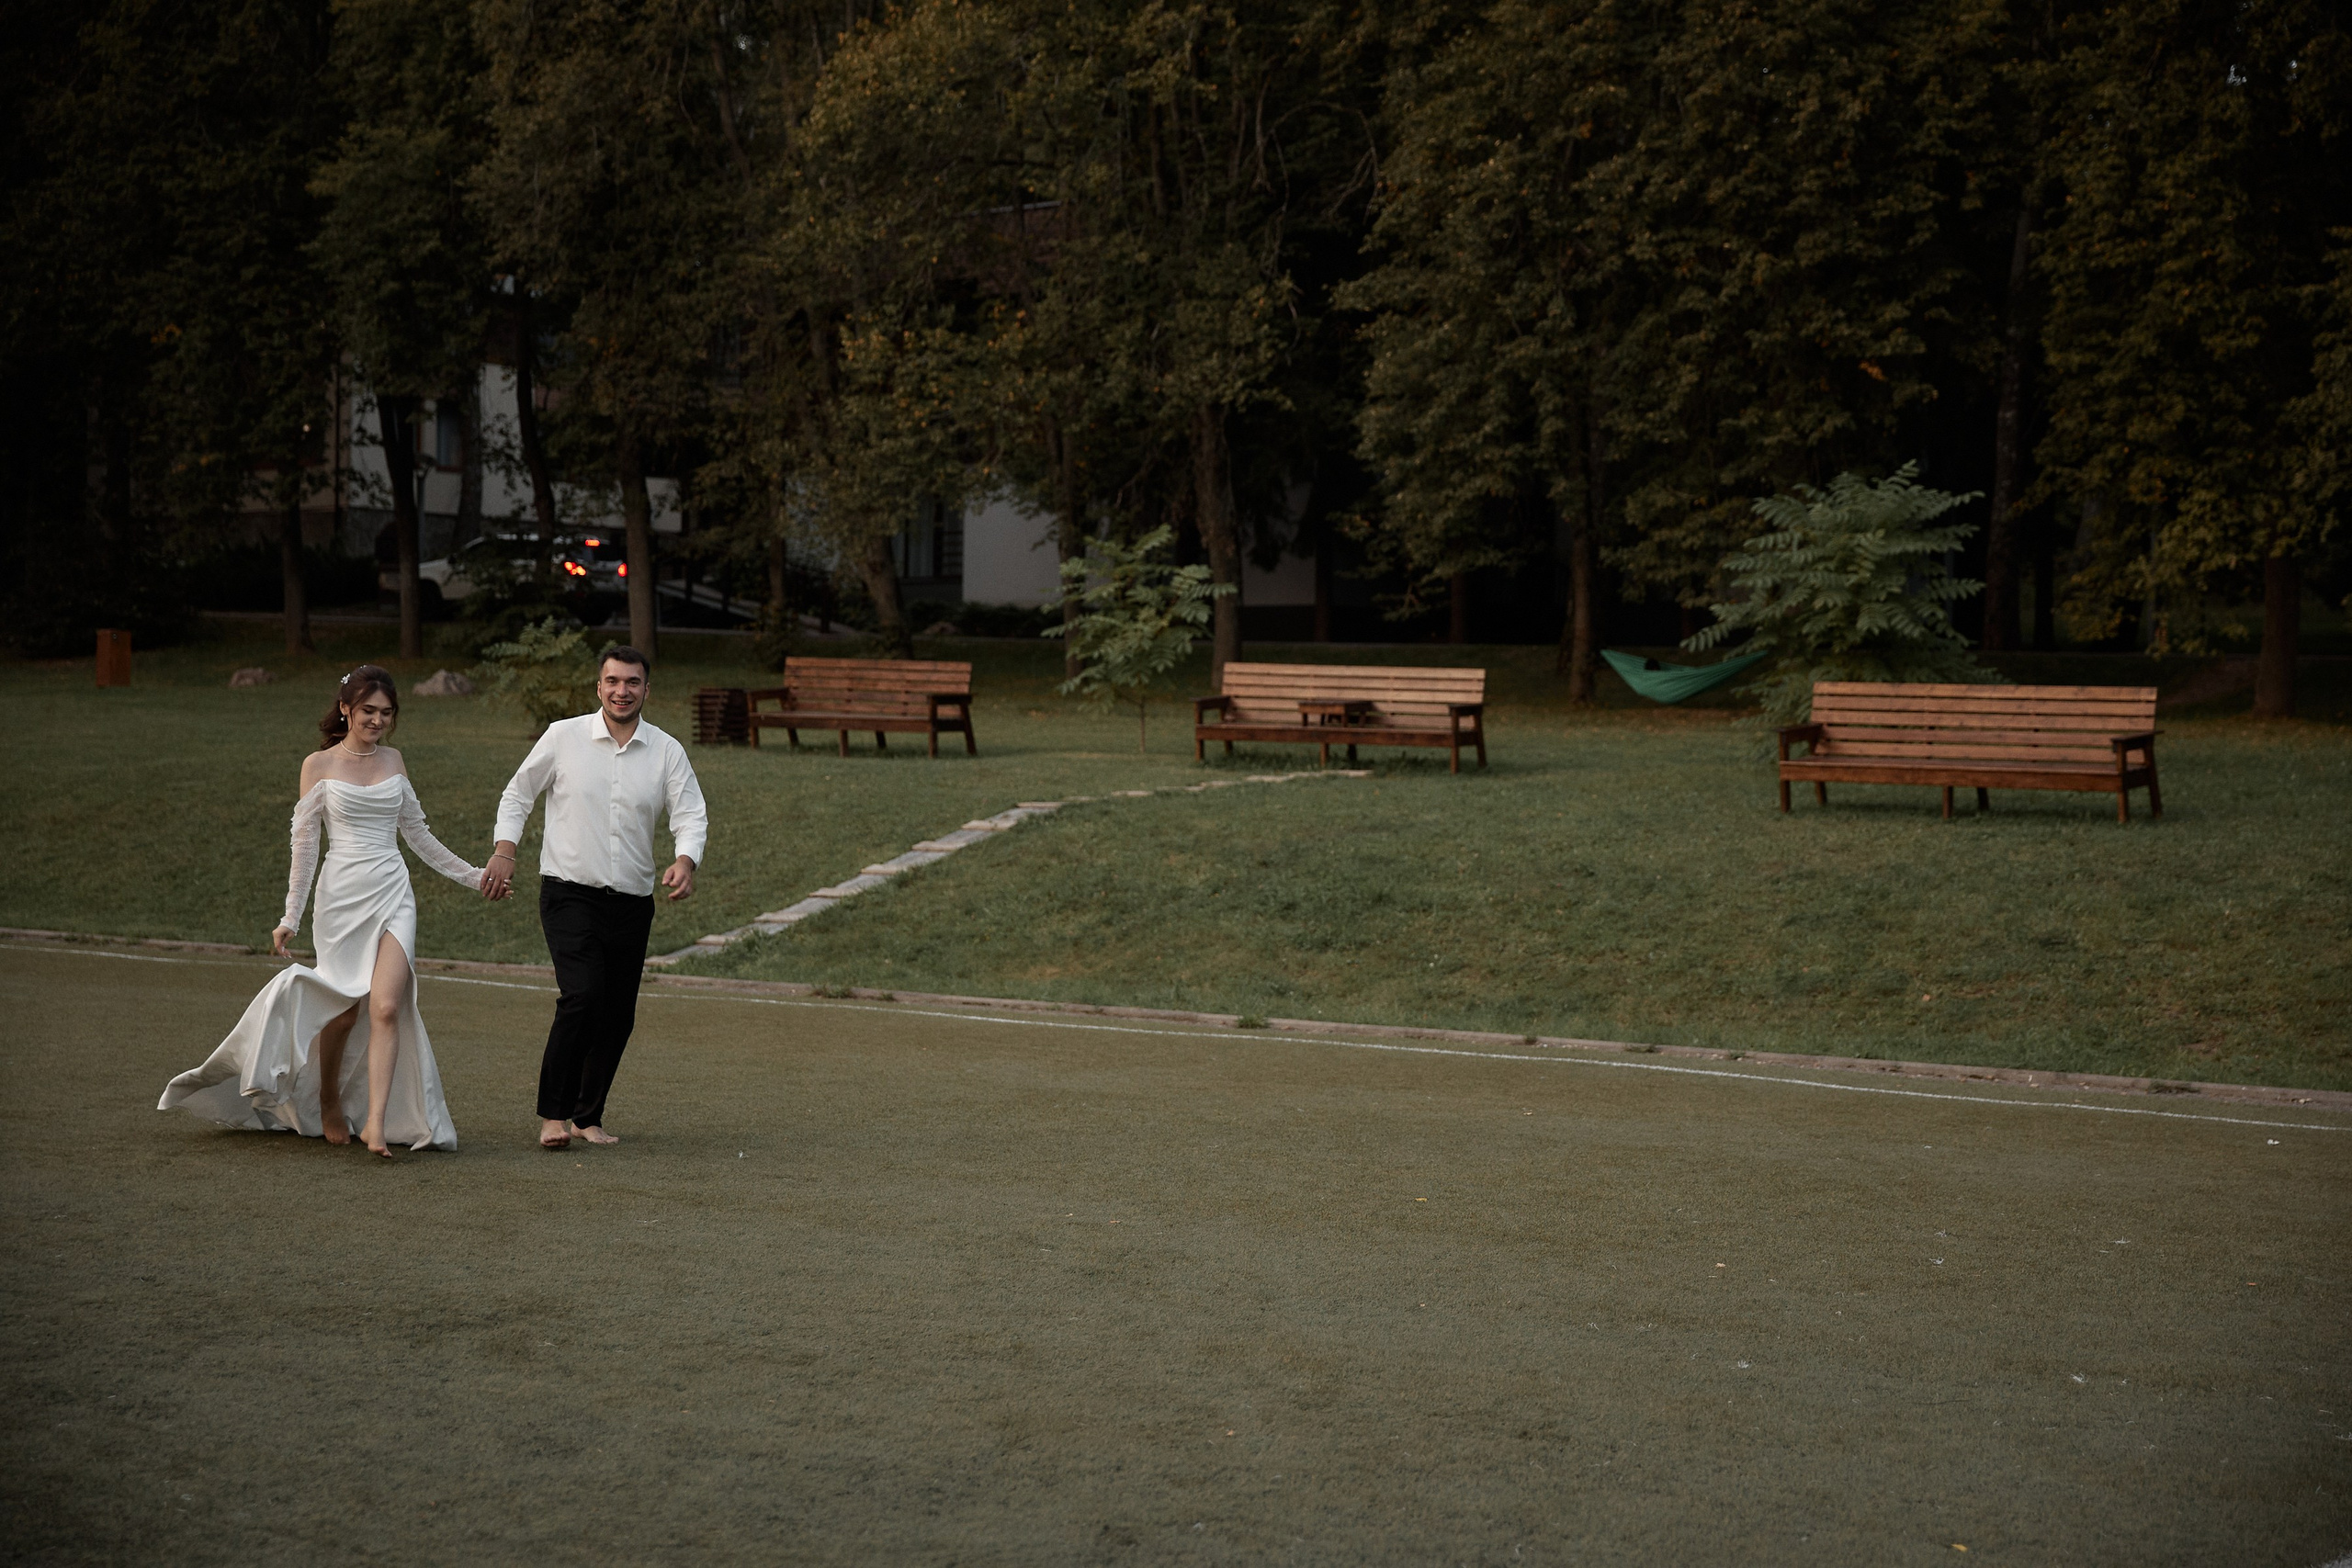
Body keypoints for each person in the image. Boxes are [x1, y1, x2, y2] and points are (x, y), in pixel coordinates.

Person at [159, 666, 505, 1156]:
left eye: (386, 713)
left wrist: (477, 877)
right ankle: (327, 1100)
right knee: (341, 1016)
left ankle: (377, 1124)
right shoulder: (317, 765)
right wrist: (290, 917)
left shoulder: (395, 760)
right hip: (341, 899)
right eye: (368, 711)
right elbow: (305, 849)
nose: (378, 721)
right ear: (346, 709)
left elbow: (419, 836)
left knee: (387, 1006)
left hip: (393, 893)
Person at [482, 646, 706, 1151]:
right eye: (613, 682)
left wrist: (685, 860)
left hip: (632, 902)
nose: (622, 691)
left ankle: (588, 1117)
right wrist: (504, 851)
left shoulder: (667, 751)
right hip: (568, 894)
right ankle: (554, 1116)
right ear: (598, 687)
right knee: (583, 996)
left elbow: (691, 814)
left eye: (632, 682)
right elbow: (518, 793)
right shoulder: (563, 737)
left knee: (618, 1014)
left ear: (647, 690)